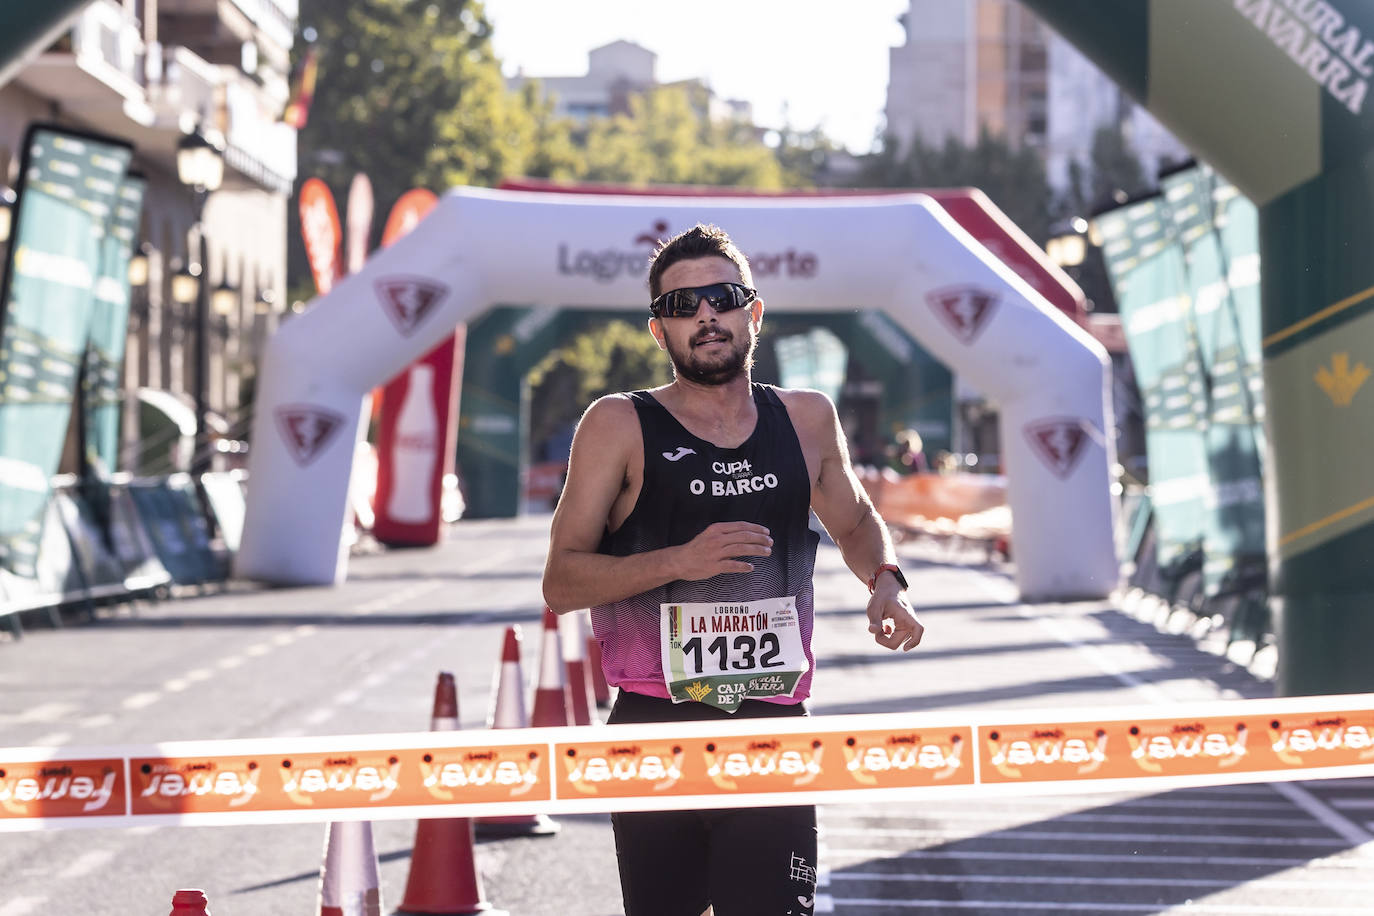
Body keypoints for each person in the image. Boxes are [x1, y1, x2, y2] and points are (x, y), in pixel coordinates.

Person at [542, 224, 924, 916]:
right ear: (659, 333)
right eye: (681, 306)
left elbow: (858, 520)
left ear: (753, 311)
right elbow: (561, 582)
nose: (704, 317)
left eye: (720, 298)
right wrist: (680, 562)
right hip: (655, 729)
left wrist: (886, 583)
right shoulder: (618, 425)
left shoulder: (807, 419)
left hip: (772, 724)